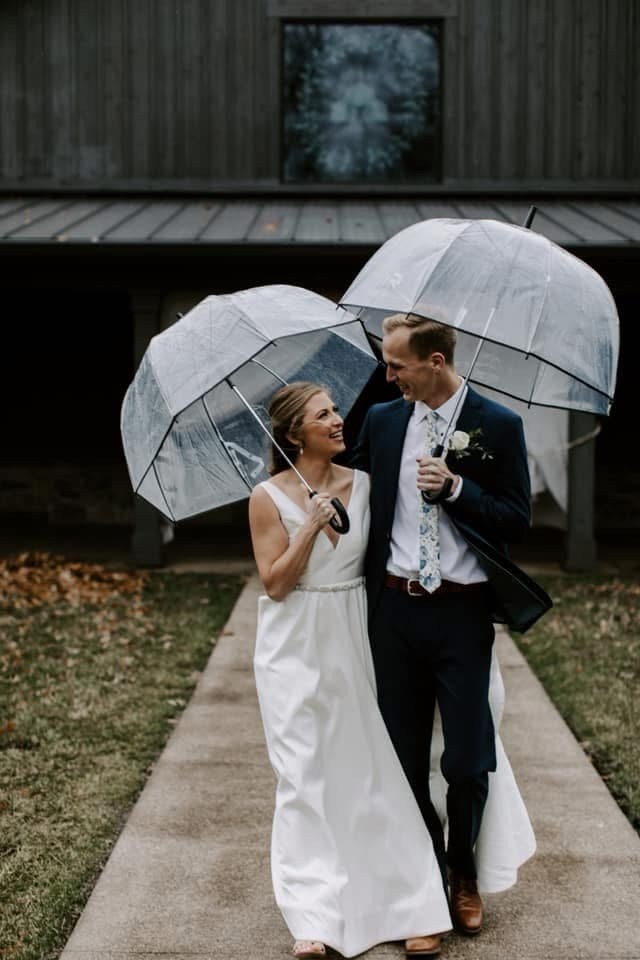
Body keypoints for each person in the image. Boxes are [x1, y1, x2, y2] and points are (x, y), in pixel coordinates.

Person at [351, 312, 536, 952]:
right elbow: (355, 493)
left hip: (461, 613)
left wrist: (457, 487)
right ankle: (423, 874)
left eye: (396, 364)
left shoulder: (499, 426)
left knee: (466, 757)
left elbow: (518, 518)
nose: (387, 374)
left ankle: (463, 869)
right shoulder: (381, 420)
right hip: (395, 612)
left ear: (434, 361)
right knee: (401, 758)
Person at [249, 381, 452, 959]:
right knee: (303, 773)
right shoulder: (267, 497)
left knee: (370, 767)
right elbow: (276, 583)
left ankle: (410, 903)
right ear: (294, 434)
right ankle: (313, 915)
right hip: (294, 643)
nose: (339, 420)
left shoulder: (365, 485)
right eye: (323, 415)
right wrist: (310, 524)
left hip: (357, 629)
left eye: (336, 410)